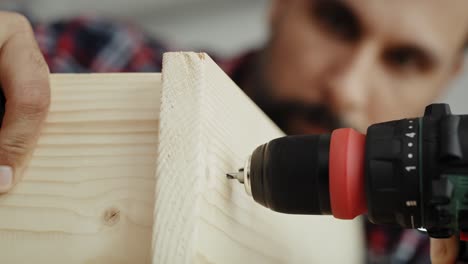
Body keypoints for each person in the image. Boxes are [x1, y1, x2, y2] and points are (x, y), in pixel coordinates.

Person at [0, 0, 467, 263]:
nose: (346, 87)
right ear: (281, 5)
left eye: (404, 60)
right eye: (335, 21)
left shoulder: (424, 249)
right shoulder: (107, 62)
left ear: (448, 75)